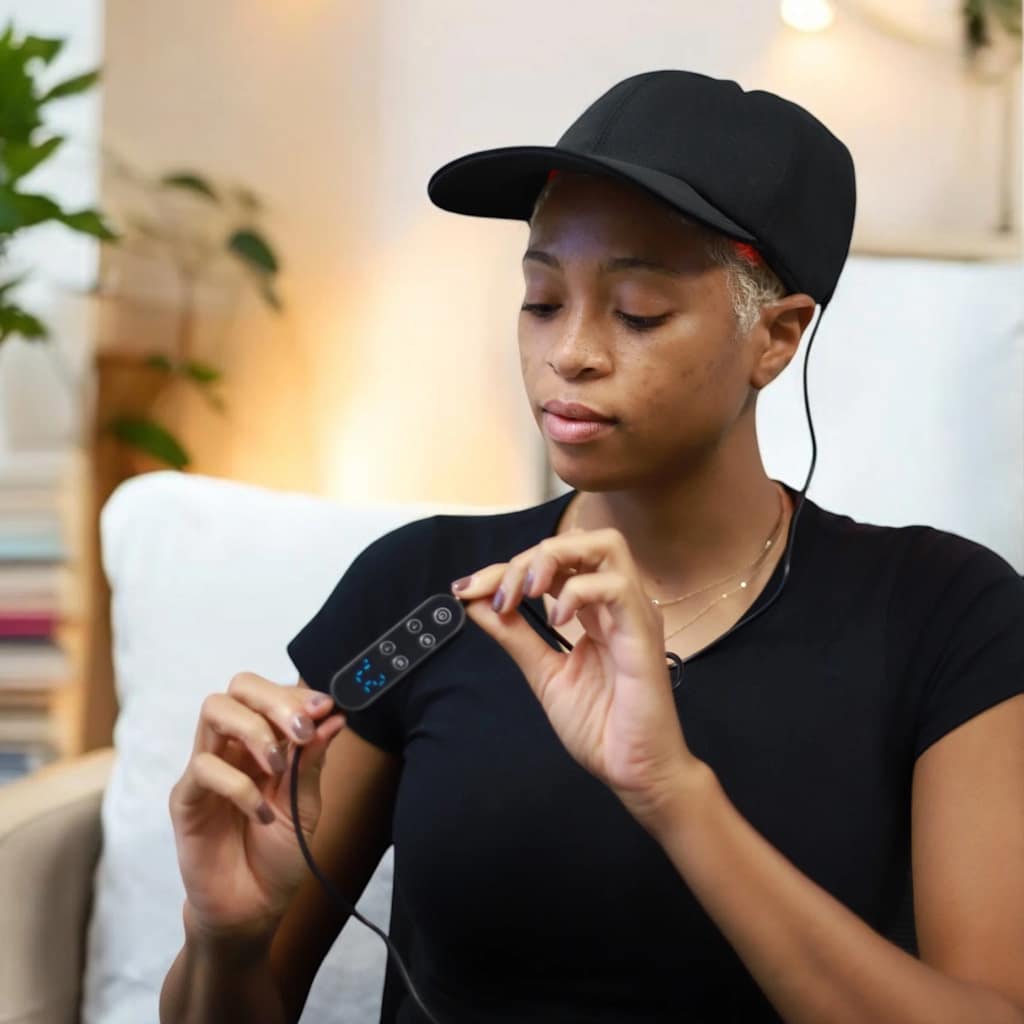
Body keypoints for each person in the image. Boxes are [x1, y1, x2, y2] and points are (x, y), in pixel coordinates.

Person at [160, 70, 1024, 1024]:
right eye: (539, 302)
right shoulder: (423, 592)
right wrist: (225, 938)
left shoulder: (944, 613)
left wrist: (672, 794)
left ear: (774, 339)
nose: (569, 352)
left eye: (638, 312)